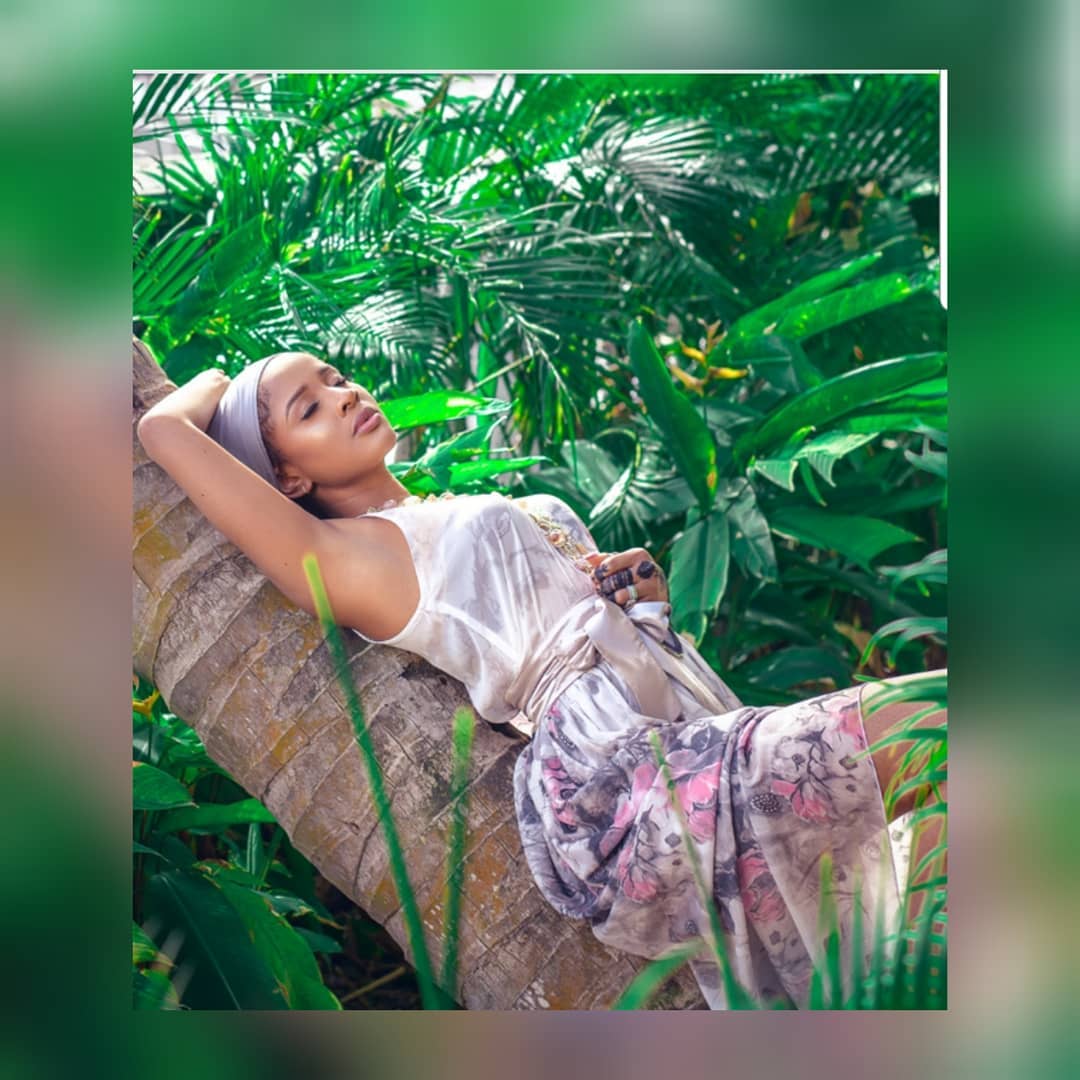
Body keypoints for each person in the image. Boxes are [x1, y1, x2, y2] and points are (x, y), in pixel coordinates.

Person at [137, 350, 946, 1010]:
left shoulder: (444, 510)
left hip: (683, 726)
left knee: (926, 864)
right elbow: (161, 430)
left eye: (337, 378)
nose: (346, 396)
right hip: (618, 785)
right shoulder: (354, 558)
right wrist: (219, 383)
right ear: (287, 481)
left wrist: (644, 599)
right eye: (309, 408)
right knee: (936, 721)